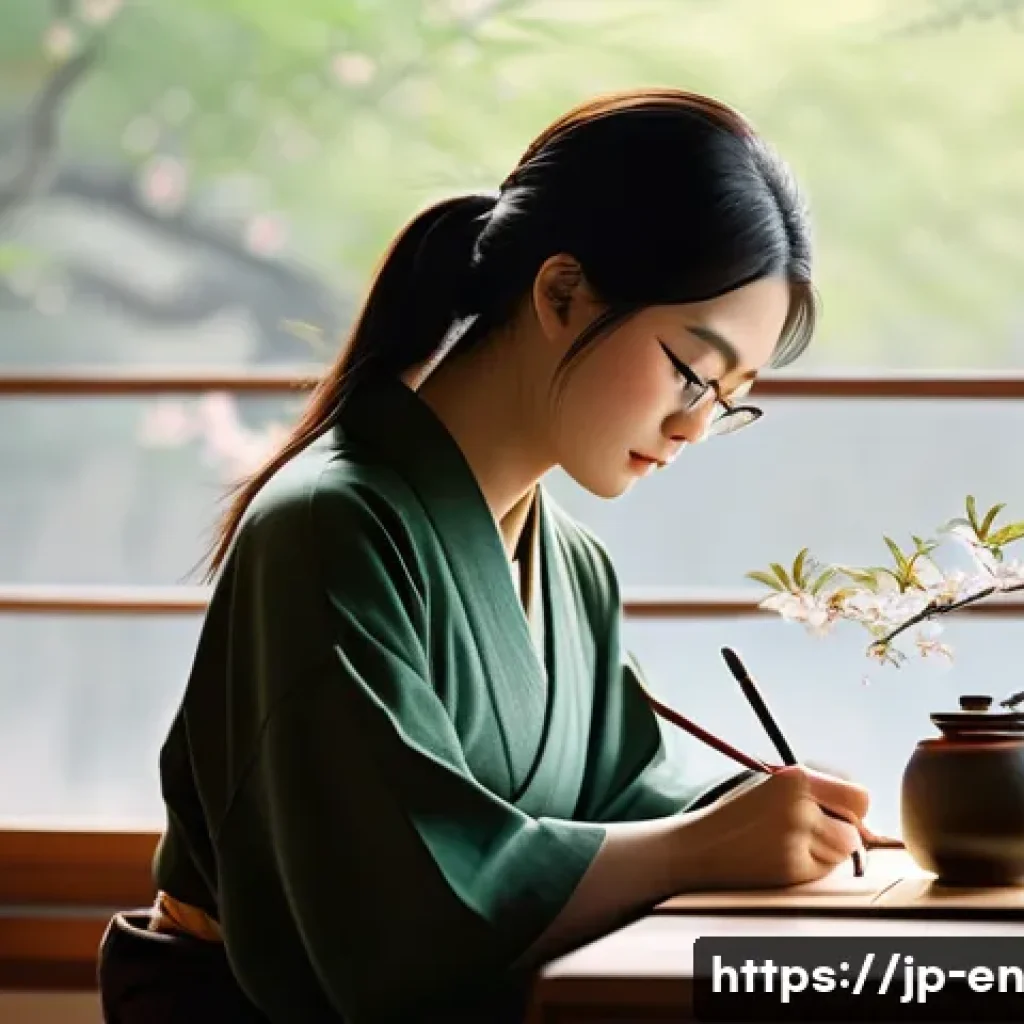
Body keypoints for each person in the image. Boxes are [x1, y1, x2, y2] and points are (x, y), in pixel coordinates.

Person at [98, 88, 872, 1023]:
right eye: (690, 368)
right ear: (560, 293)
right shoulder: (327, 530)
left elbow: (623, 787)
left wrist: (759, 807)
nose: (695, 425)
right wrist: (697, 848)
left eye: (730, 397)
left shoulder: (573, 567)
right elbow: (395, 913)